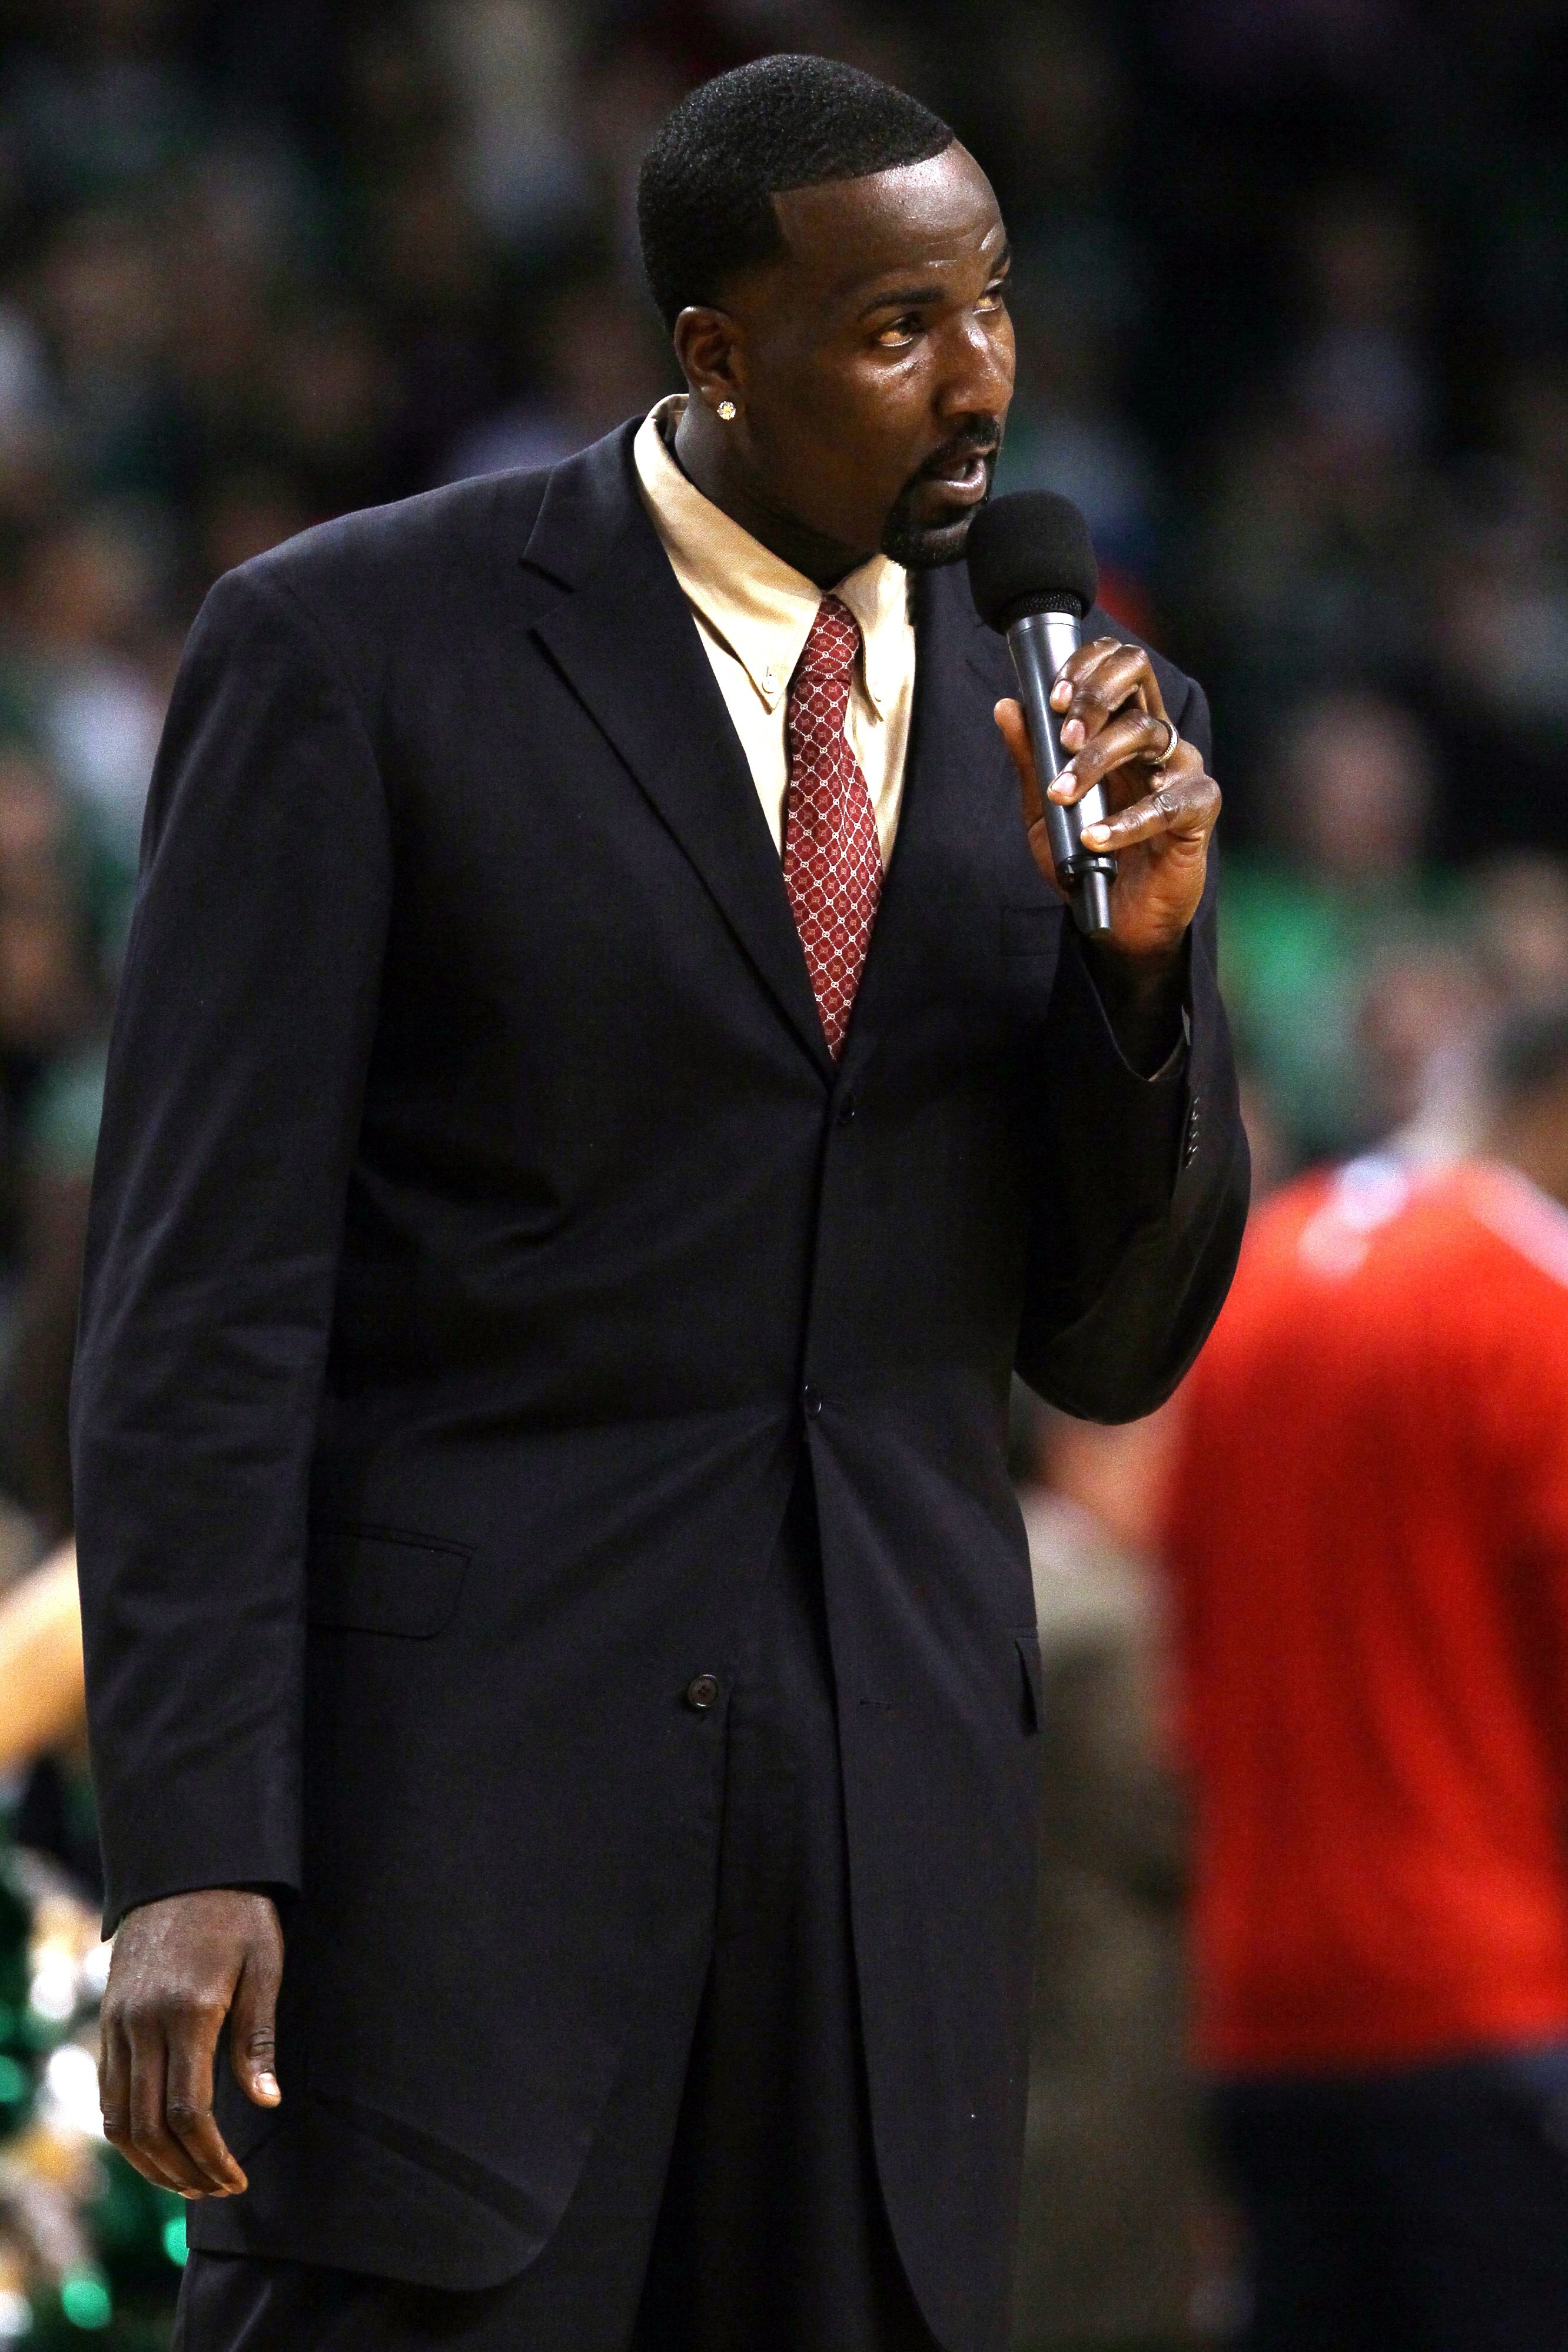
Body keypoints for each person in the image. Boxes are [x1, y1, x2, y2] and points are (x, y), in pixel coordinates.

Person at [72, 56, 1246, 2352]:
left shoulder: (1092, 713)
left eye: (994, 306)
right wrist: (194, 1839)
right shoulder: (353, 652)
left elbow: (1108, 1351)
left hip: (885, 1859)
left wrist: (1135, 982)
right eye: (901, 325)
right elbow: (202, 1299)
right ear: (716, 350)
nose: (981, 376)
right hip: (452, 1856)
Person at [1165, 1006, 1568, 2351]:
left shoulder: (1269, 1267)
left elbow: (1196, 1641)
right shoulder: (1533, 1306)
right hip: (1493, 2006)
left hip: (1263, 2008)